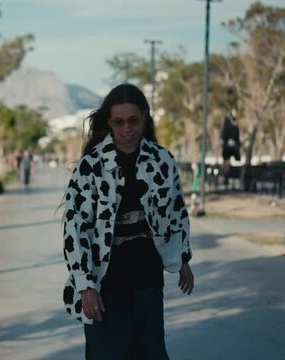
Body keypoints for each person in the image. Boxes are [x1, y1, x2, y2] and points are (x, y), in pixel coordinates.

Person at [61, 83, 194, 359]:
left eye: (134, 120)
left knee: (150, 351)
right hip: (105, 277)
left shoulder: (162, 160)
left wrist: (183, 260)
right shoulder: (91, 165)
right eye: (119, 122)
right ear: (109, 122)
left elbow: (177, 213)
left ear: (144, 118)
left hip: (147, 271)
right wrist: (85, 285)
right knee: (108, 352)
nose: (127, 129)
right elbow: (75, 228)